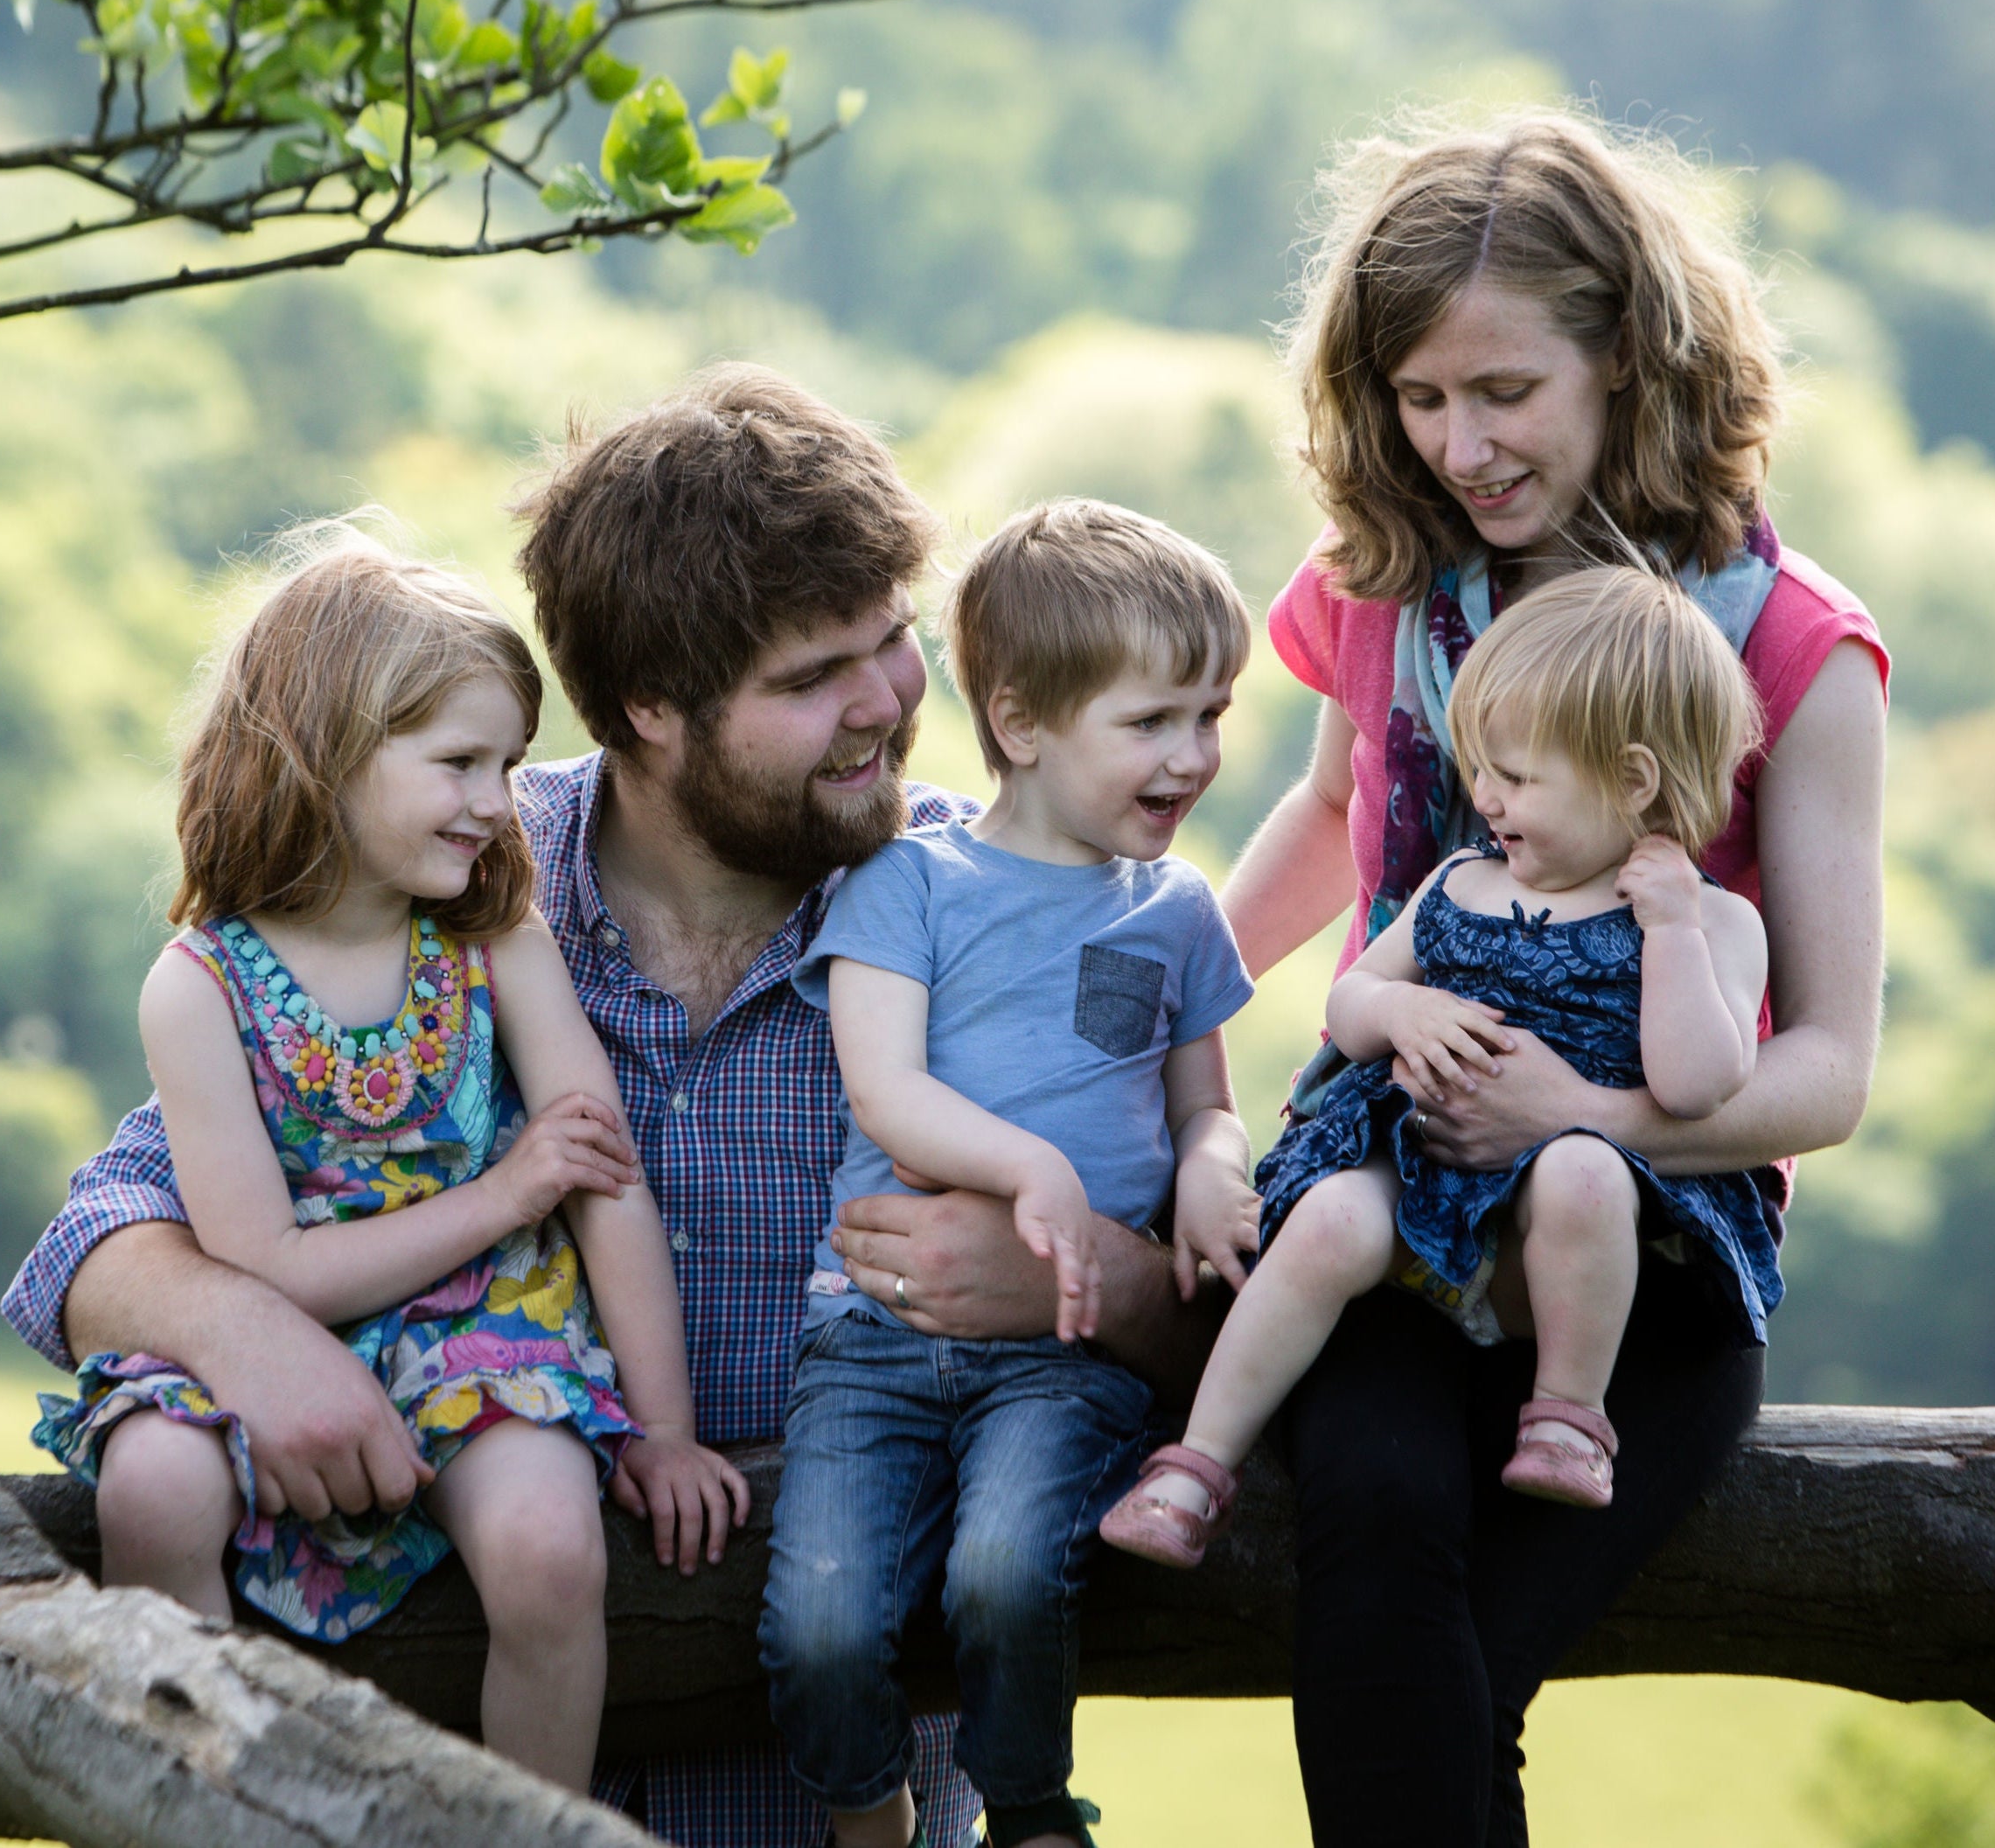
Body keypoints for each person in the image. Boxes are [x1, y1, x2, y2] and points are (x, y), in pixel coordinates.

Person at [0, 366, 1212, 1847]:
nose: (888, 701)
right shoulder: (451, 871)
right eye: (814, 674)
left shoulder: (1016, 908)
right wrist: (244, 1327)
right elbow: (108, 1226)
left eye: (892, 638)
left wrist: (1101, 1278)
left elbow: (1223, 1317)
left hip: (817, 1802)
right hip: (441, 1776)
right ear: (652, 706)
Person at [1207, 109, 1890, 1846]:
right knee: (1364, 1536)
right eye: (1421, 398)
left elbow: (1823, 1068)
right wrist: (1164, 1028)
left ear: (1630, 357)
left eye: (1503, 390)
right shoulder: (1390, 580)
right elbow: (1329, 809)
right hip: (1392, 1201)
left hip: (1644, 1251)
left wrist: (1580, 1113)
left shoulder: (1789, 644)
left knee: (1468, 1651)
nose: (1459, 443)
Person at [30, 529, 747, 1792]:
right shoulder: (199, 987)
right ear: (325, 749)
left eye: (509, 764)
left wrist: (664, 1431)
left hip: (485, 1329)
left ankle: (528, 1830)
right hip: (281, 1315)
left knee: (545, 1547)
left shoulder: (492, 939)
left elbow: (601, 1177)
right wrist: (502, 1191)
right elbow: (266, 1269)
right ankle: (208, 1810)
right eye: (459, 763)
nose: (496, 799)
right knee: (150, 1492)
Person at [1103, 567, 1772, 1571]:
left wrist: (1670, 928)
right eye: (1479, 767)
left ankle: (1568, 1414)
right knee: (1327, 1219)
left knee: (1582, 1170)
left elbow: (1695, 1083)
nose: (1484, 796)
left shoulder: (1711, 918)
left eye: (1516, 775)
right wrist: (1402, 1007)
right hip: (1414, 1156)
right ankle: (1195, 1464)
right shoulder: (1462, 881)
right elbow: (1350, 1002)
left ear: (1633, 780)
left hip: (1570, 1201)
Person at [762, 501, 1256, 1848]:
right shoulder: (905, 884)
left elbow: (1202, 1103)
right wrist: (1026, 1164)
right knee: (816, 1612)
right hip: (873, 1338)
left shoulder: (1175, 912)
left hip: (1065, 1353)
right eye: (1149, 722)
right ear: (1023, 722)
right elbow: (888, 1091)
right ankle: (869, 1808)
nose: (1192, 756)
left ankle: (1028, 1808)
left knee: (1004, 1573)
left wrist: (1216, 1168)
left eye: (1209, 715)